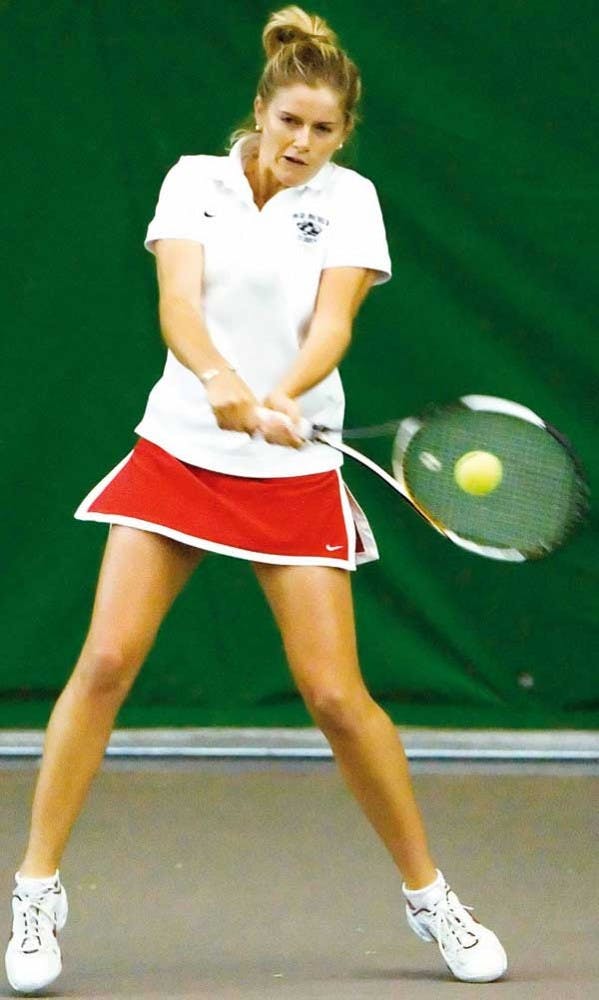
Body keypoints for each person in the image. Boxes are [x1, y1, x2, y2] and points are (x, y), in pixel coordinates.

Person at [5, 5, 508, 993]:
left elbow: (332, 326)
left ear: (341, 135)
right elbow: (178, 304)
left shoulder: (350, 201)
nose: (302, 146)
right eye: (290, 125)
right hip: (180, 450)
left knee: (334, 696)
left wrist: (278, 394)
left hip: (290, 463)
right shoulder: (193, 182)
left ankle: (429, 897)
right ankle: (35, 888)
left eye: (322, 132)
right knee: (104, 659)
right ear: (261, 111)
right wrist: (220, 381)